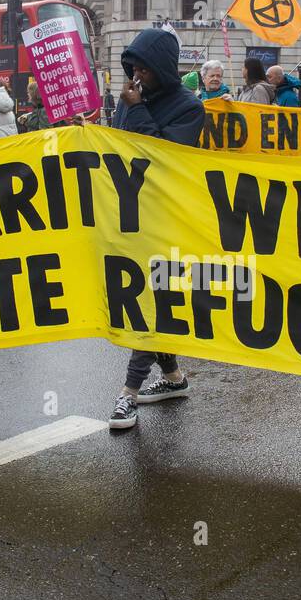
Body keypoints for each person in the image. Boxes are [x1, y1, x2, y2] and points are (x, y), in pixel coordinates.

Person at [104, 27, 206, 430]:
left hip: (166, 218)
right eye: (133, 68)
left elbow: (161, 157)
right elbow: (116, 146)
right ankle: (174, 378)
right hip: (128, 216)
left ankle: (128, 393)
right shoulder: (131, 102)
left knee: (149, 301)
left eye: (144, 68)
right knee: (152, 297)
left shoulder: (189, 107)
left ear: (161, 69)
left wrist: (138, 109)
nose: (137, 76)